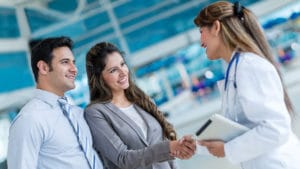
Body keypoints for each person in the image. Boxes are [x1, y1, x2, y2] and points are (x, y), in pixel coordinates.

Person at [193, 1, 300, 169]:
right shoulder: (236, 68)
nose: (201, 42)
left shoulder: (249, 66)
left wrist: (228, 149)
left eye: (201, 32)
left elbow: (276, 129)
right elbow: (241, 131)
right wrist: (196, 145)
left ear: (216, 27)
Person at [84, 42, 196, 169]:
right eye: (113, 70)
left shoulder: (142, 100)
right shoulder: (95, 113)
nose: (122, 72)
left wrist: (177, 149)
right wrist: (168, 147)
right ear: (99, 77)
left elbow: (163, 141)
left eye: (122, 64)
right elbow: (123, 159)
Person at [7, 37, 103, 169]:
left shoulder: (75, 112)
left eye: (73, 62)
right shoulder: (30, 119)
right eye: (65, 62)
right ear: (44, 68)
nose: (74, 69)